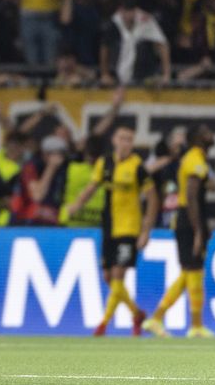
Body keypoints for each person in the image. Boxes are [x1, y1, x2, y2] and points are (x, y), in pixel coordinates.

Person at [67, 126, 159, 336]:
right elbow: (92, 188)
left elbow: (153, 199)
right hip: (109, 226)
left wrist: (145, 231)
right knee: (108, 277)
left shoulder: (138, 167)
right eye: (122, 138)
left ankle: (103, 324)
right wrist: (76, 205)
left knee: (118, 276)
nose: (125, 142)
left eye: (129, 139)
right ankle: (137, 313)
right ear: (114, 140)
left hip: (129, 228)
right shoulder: (104, 163)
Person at [143, 124, 215, 338]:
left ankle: (159, 319)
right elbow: (191, 197)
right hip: (189, 218)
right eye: (206, 133)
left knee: (190, 273)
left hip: (188, 218)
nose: (212, 135)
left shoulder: (196, 158)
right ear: (197, 139)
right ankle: (193, 325)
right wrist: (198, 230)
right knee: (193, 272)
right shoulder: (194, 159)